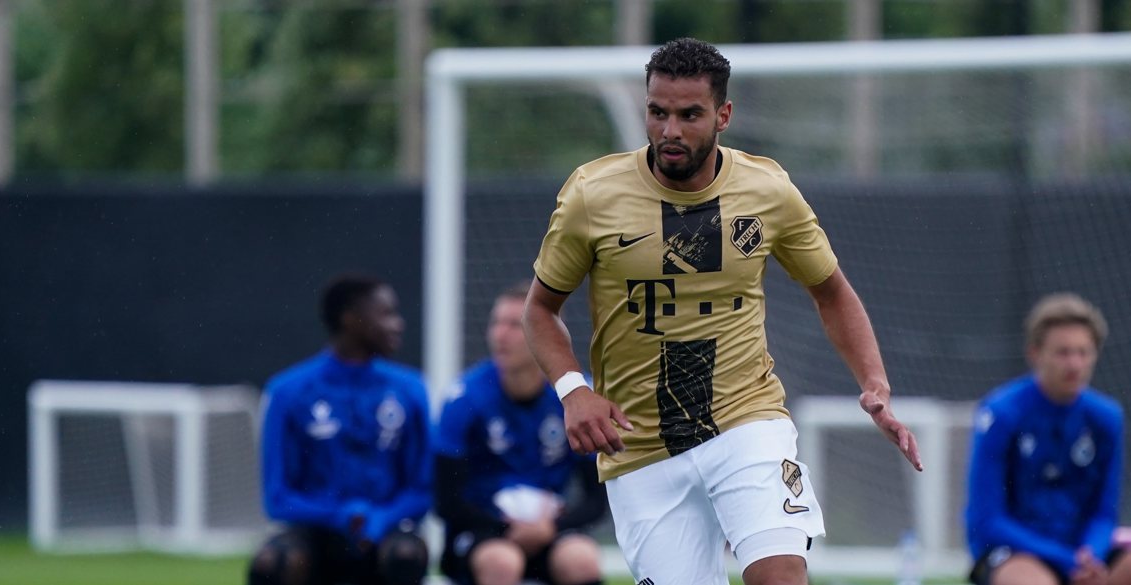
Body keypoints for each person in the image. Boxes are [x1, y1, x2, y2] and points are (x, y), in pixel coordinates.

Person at [522, 37, 922, 585]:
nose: (670, 130)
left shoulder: (768, 189)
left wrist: (874, 383)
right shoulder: (593, 194)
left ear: (724, 115)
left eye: (689, 115)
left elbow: (831, 291)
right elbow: (540, 310)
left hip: (746, 421)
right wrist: (574, 391)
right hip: (641, 444)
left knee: (780, 575)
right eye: (657, 112)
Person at [965, 293, 1131, 585]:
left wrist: (1090, 554)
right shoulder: (1001, 413)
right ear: (1035, 353)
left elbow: (1105, 514)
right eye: (1063, 352)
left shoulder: (1106, 417)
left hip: (1081, 553)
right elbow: (987, 521)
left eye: (1083, 352)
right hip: (1017, 551)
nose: (1074, 363)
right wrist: (1066, 559)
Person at [248, 274, 432, 585]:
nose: (398, 324)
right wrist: (338, 515)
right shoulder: (287, 392)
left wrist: (380, 517)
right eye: (386, 314)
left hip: (384, 530)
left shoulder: (411, 389)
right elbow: (277, 498)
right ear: (350, 319)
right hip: (316, 532)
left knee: (406, 554)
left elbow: (422, 490)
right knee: (274, 562)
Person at [434, 281, 607, 585]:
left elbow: (596, 498)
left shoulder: (575, 397)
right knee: (502, 562)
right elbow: (446, 500)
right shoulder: (464, 397)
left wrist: (551, 527)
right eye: (496, 323)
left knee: (580, 559)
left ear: (548, 333)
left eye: (514, 325)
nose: (500, 335)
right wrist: (505, 527)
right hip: (482, 530)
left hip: (549, 530)